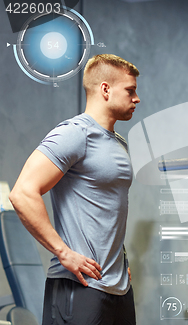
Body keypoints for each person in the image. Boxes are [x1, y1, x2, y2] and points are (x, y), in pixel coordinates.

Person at [9, 54, 140, 325]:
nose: (136, 98)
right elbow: (22, 192)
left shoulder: (119, 143)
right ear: (105, 89)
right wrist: (63, 252)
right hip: (79, 287)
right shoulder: (74, 133)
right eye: (130, 90)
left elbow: (107, 210)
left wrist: (119, 260)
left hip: (119, 289)